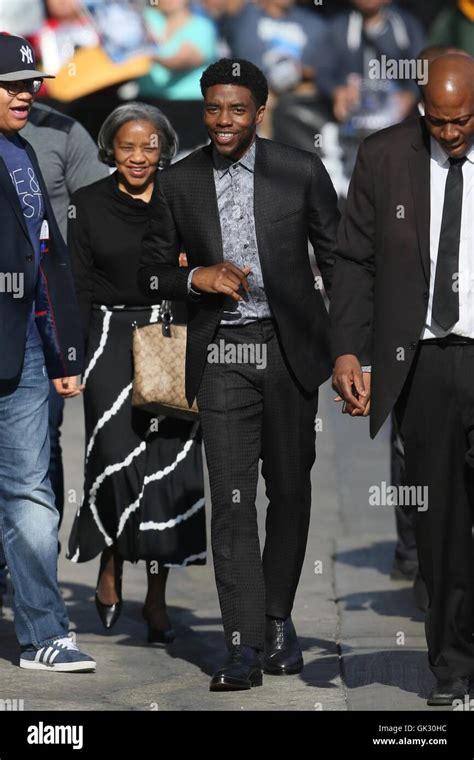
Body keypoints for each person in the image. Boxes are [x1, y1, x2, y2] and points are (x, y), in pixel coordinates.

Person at [138, 58, 340, 690]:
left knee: (290, 489)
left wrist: (349, 350)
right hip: (220, 352)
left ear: (259, 109)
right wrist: (196, 276)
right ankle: (241, 645)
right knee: (230, 502)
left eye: (236, 109)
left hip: (286, 351)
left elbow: (338, 260)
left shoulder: (299, 171)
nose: (223, 121)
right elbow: (149, 270)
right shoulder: (179, 181)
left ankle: (277, 621)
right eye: (213, 109)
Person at [330, 53, 474, 705]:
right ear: (422, 108)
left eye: (463, 121)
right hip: (427, 363)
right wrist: (347, 353)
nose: (450, 134)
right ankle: (451, 666)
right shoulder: (384, 157)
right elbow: (354, 258)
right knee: (440, 524)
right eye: (438, 122)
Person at [67, 103, 206, 643]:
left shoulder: (183, 200)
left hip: (170, 337)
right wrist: (72, 358)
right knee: (114, 460)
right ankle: (109, 563)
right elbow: (77, 286)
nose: (139, 156)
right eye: (128, 146)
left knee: (168, 470)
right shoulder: (86, 204)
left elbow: (202, 266)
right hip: (107, 340)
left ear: (164, 149)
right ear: (110, 149)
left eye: (150, 146)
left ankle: (156, 597)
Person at [0, 32, 95, 671]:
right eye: (11, 85)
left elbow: (48, 261)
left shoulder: (28, 153)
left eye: (31, 83)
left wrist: (63, 355)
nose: (25, 94)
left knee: (30, 491)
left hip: (27, 353)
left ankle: (44, 635)